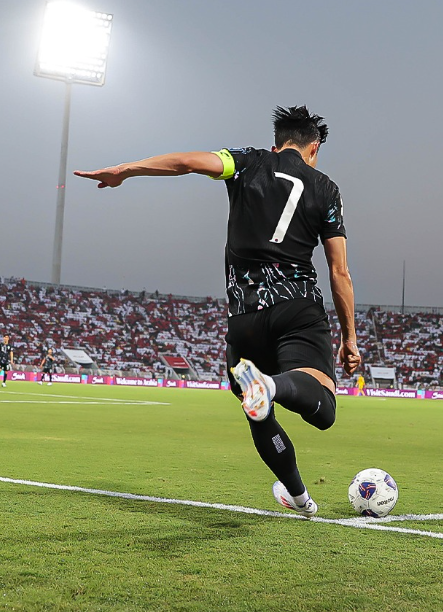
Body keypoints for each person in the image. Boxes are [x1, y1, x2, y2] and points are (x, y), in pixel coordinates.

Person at [75, 105, 360, 517]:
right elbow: (340, 270)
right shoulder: (325, 188)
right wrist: (349, 338)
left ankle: (300, 498)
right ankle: (274, 386)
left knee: (258, 414)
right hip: (296, 307)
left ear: (275, 143)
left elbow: (187, 162)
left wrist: (125, 169)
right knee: (324, 412)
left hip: (243, 319)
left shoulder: (245, 161)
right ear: (313, 149)